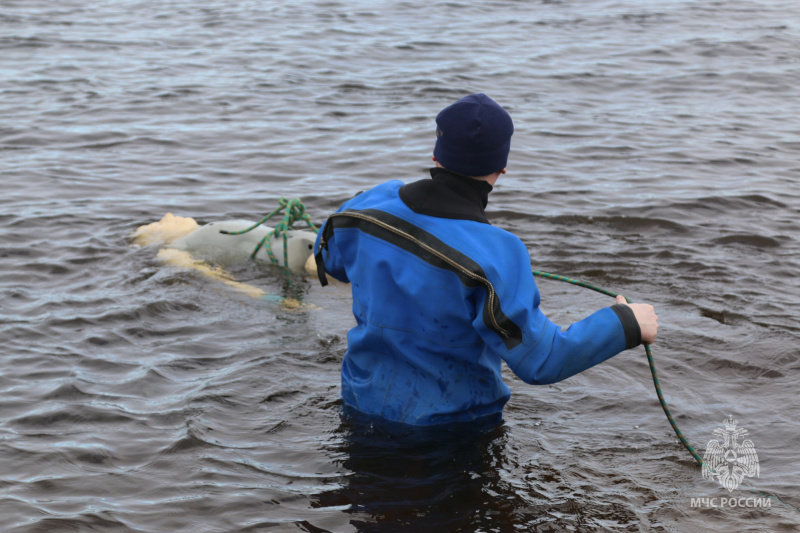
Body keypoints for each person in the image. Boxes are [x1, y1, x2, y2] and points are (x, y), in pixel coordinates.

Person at [313, 93, 658, 426]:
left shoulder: (366, 207)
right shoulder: (498, 252)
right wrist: (624, 324)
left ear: (436, 154)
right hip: (449, 431)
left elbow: (329, 260)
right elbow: (542, 360)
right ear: (502, 167)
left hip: (360, 405)